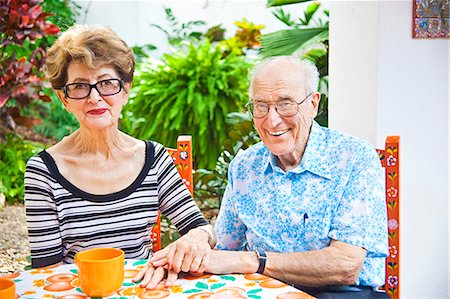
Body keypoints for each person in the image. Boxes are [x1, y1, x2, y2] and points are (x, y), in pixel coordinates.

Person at [24, 24, 215, 289]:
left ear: (125, 90)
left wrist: (197, 237)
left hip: (144, 290)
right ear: (64, 98)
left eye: (106, 83)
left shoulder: (154, 158)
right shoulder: (43, 171)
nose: (94, 97)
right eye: (79, 86)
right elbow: (46, 274)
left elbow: (200, 227)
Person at [206, 56, 389, 298]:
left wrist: (256, 262)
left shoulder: (353, 157)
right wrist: (198, 239)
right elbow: (225, 247)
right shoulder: (245, 166)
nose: (272, 120)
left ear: (313, 104)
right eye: (261, 105)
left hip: (342, 293)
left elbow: (346, 265)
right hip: (263, 292)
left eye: (286, 104)